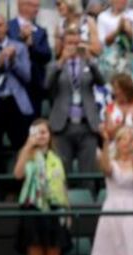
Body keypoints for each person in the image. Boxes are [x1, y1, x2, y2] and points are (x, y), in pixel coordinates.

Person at [45, 23, 103, 176]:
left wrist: (90, 60)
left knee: (88, 173)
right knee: (62, 173)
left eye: (76, 43)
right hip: (62, 125)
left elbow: (102, 81)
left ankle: (87, 192)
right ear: (63, 44)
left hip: (87, 125)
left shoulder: (89, 63)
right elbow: (47, 85)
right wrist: (61, 61)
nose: (73, 47)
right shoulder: (54, 65)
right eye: (69, 43)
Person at [90, 126, 133, 255]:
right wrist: (106, 142)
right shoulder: (112, 163)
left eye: (130, 140)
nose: (126, 143)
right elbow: (106, 169)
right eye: (123, 139)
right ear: (117, 143)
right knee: (111, 252)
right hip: (113, 207)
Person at [13, 120, 69, 255]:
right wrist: (28, 146)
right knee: (35, 252)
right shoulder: (26, 154)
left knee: (53, 254)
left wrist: (67, 210)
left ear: (50, 135)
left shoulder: (56, 158)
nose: (41, 136)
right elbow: (18, 174)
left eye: (44, 132)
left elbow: (62, 185)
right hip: (33, 208)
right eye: (37, 132)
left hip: (55, 208)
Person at [0, 13, 33, 161]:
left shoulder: (20, 47)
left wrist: (13, 62)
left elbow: (27, 77)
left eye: (0, 25)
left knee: (22, 147)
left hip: (16, 102)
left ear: (6, 27)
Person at [8, 0, 53, 117]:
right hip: (12, 87)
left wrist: (31, 45)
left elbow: (46, 56)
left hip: (34, 88)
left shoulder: (40, 31)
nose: (37, 10)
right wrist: (21, 40)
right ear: (21, 5)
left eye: (38, 6)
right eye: (33, 6)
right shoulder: (7, 27)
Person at [102, 73, 133, 158]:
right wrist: (121, 123)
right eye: (113, 89)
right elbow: (109, 134)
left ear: (126, 89)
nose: (114, 92)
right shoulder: (110, 108)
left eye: (116, 89)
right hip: (116, 147)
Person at [96, 0, 133, 86]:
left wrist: (129, 30)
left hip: (130, 60)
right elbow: (102, 42)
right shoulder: (102, 17)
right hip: (110, 62)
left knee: (132, 87)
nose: (121, 1)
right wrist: (118, 29)